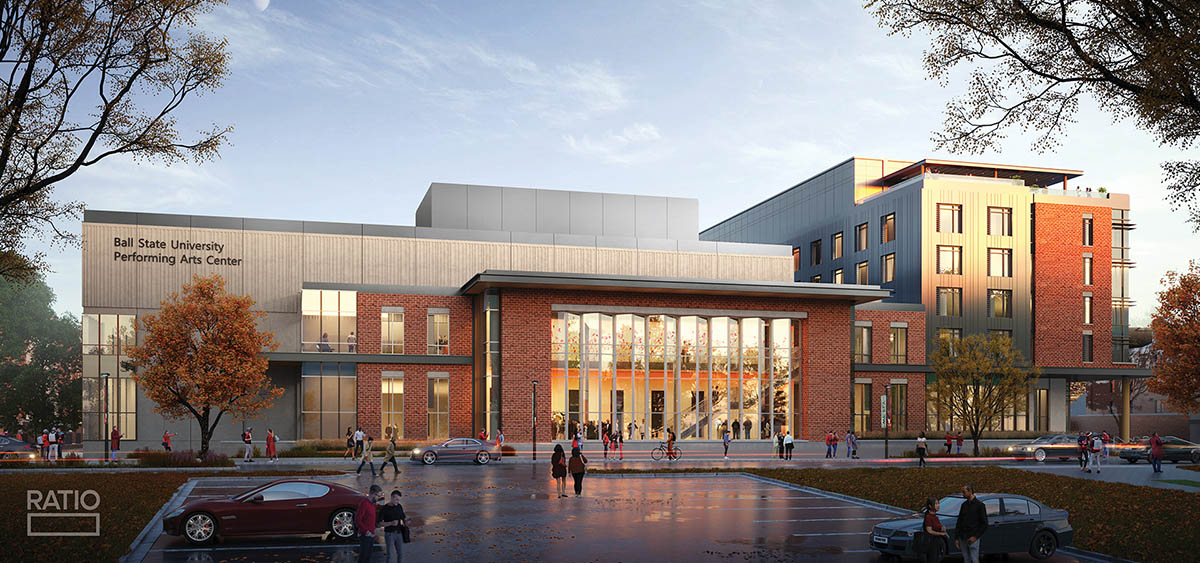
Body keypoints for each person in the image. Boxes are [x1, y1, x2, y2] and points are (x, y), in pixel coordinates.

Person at [954, 484, 988, 563]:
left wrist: (975, 537)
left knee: (974, 558)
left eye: (964, 492)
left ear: (970, 491)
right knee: (966, 559)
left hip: (972, 536)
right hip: (963, 536)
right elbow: (959, 521)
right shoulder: (964, 505)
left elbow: (984, 523)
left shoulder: (980, 505)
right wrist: (956, 538)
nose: (963, 494)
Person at [356, 484, 383, 563]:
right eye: (378, 496)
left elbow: (370, 518)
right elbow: (357, 520)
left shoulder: (372, 504)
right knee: (363, 557)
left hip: (371, 534)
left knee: (368, 557)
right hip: (365, 535)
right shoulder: (364, 504)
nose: (378, 498)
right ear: (373, 494)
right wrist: (365, 530)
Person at [377, 490, 406, 563]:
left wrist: (406, 521)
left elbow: (403, 517)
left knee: (401, 554)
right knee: (390, 555)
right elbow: (379, 523)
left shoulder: (399, 506)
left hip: (399, 533)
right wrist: (390, 523)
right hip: (389, 534)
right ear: (392, 498)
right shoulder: (384, 509)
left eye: (399, 500)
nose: (397, 502)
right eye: (396, 499)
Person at [920, 497, 948, 562]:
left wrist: (942, 528)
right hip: (931, 543)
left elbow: (936, 528)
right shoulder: (928, 517)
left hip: (937, 543)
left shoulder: (935, 516)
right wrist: (941, 533)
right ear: (930, 506)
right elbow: (929, 530)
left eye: (938, 503)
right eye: (936, 504)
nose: (938, 505)